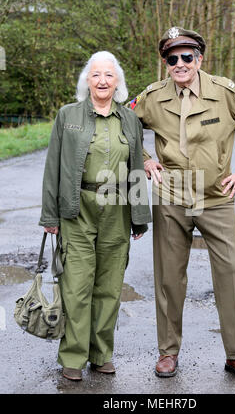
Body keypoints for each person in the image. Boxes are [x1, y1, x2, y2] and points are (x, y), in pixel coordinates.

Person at [129, 27, 235, 382]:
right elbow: (123, 126)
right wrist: (145, 158)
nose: (180, 63)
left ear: (199, 59)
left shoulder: (224, 92)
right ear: (166, 63)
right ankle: (168, 352)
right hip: (171, 197)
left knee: (231, 273)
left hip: (215, 198)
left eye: (187, 56)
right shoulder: (151, 96)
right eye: (172, 58)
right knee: (169, 278)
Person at [39, 51, 151, 381]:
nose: (102, 81)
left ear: (118, 83)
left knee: (109, 285)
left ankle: (101, 354)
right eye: (96, 75)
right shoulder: (68, 116)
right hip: (77, 208)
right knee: (76, 285)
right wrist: (50, 215)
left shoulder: (129, 120)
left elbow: (135, 168)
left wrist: (139, 216)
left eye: (109, 75)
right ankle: (72, 356)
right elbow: (53, 168)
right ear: (86, 80)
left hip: (117, 209)